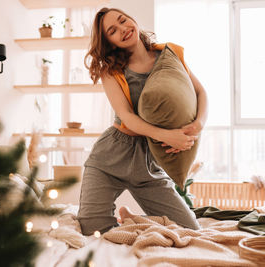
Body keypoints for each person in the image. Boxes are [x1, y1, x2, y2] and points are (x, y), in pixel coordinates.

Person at [77, 7, 208, 235]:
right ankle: (128, 221)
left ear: (132, 20)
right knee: (91, 229)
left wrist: (198, 124)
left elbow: (200, 92)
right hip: (109, 159)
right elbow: (127, 116)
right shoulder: (110, 70)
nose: (123, 29)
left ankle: (132, 219)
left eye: (123, 20)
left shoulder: (169, 55)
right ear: (110, 42)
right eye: (113, 31)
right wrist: (166, 135)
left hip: (148, 162)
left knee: (190, 230)